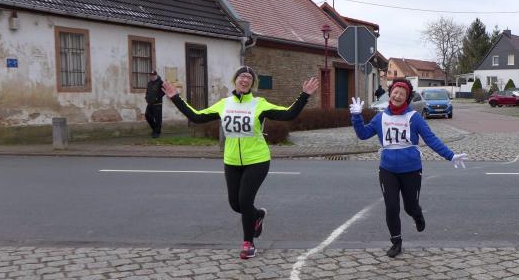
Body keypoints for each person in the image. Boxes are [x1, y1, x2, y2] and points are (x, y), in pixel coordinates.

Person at [162, 66, 319, 259]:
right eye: (241, 77)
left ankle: (248, 244)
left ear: (252, 84)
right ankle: (258, 215)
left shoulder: (259, 104)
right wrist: (175, 98)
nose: (245, 80)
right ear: (235, 80)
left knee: (245, 201)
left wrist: (304, 95)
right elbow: (197, 116)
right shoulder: (224, 104)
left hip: (257, 159)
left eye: (249, 78)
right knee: (235, 204)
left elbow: (288, 114)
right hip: (232, 161)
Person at [350, 78, 467, 257]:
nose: (397, 96)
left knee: (410, 207)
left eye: (402, 94)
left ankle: (417, 214)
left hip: (411, 169)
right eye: (395, 92)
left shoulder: (414, 118)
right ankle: (396, 242)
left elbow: (431, 139)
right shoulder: (381, 117)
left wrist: (450, 155)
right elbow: (363, 134)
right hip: (387, 169)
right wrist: (356, 116)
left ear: (407, 98)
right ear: (390, 94)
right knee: (391, 206)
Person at [145, 70, 165, 138]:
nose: (152, 77)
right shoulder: (149, 83)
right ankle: (155, 129)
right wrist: (146, 97)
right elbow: (147, 91)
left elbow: (164, 91)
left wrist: (157, 98)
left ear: (156, 75)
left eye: (153, 75)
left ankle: (157, 133)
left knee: (158, 118)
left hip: (157, 103)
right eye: (151, 75)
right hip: (150, 103)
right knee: (147, 115)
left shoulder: (160, 82)